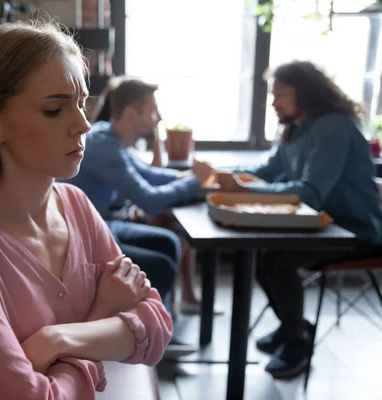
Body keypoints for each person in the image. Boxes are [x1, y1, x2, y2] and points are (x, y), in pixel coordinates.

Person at [0, 20, 173, 400]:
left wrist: (54, 340)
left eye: (83, 104)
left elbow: (156, 328)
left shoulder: (75, 205)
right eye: (54, 109)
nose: (83, 125)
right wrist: (101, 317)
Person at [217, 61, 382, 380]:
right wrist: (222, 175)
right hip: (321, 225)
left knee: (276, 258)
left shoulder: (334, 127)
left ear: (303, 94)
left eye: (280, 94)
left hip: (354, 231)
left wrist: (246, 187)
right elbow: (264, 172)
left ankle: (296, 340)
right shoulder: (295, 129)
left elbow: (310, 193)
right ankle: (294, 326)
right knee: (265, 255)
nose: (274, 102)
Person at [65, 77, 218, 315]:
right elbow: (151, 200)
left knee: (169, 242)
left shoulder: (109, 136)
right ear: (131, 114)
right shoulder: (105, 147)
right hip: (82, 237)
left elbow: (149, 174)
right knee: (161, 266)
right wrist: (194, 180)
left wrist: (188, 175)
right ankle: (149, 336)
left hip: (103, 224)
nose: (157, 117)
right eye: (153, 110)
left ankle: (160, 325)